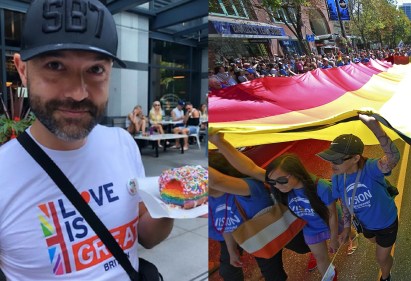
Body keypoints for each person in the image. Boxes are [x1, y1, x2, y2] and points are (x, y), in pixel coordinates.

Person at [0, 0, 174, 279]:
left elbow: (146, 236)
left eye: (95, 70)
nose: (78, 93)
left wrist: (172, 203)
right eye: (55, 65)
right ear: (22, 70)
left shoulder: (123, 143)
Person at [210, 133, 342, 279]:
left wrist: (336, 237)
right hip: (309, 229)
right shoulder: (279, 186)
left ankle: (350, 236)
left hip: (327, 221)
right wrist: (219, 141)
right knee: (320, 258)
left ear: (296, 174)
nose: (277, 185)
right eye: (273, 182)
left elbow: (332, 215)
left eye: (281, 180)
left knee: (341, 235)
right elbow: (251, 169)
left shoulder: (319, 187)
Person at [317, 113, 401, 281]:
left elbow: (393, 157)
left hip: (387, 223)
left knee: (381, 258)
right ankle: (383, 250)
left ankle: (386, 276)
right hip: (366, 225)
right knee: (374, 242)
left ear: (356, 158)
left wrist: (375, 127)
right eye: (330, 158)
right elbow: (344, 202)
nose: (332, 163)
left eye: (337, 159)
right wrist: (347, 227)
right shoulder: (337, 177)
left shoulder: (370, 168)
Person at [209, 153, 287, 281]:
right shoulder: (212, 198)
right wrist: (231, 249)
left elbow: (216, 180)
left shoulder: (248, 188)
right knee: (228, 272)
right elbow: (226, 224)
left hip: (261, 234)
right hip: (236, 235)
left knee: (273, 273)